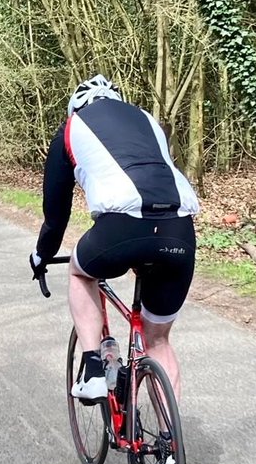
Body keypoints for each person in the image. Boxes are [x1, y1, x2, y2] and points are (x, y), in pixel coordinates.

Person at [29, 74, 199, 405]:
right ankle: (169, 434)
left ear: (75, 108)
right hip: (179, 229)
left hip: (122, 226)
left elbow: (55, 215)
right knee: (158, 341)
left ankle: (93, 369)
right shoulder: (147, 121)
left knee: (81, 272)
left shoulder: (71, 128)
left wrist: (42, 255)